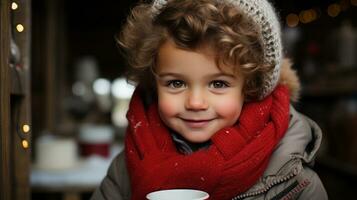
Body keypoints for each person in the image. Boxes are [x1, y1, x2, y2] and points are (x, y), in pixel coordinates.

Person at [91, 0, 328, 199]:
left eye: (218, 84)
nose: (195, 102)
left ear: (250, 87)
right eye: (176, 83)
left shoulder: (294, 179)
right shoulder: (127, 170)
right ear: (153, 82)